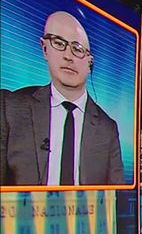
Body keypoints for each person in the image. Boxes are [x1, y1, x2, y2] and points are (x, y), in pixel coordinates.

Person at [0, 11, 124, 186]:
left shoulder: (107, 128)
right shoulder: (9, 108)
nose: (68, 56)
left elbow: (116, 195)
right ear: (45, 49)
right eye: (59, 43)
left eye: (77, 49)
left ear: (90, 63)